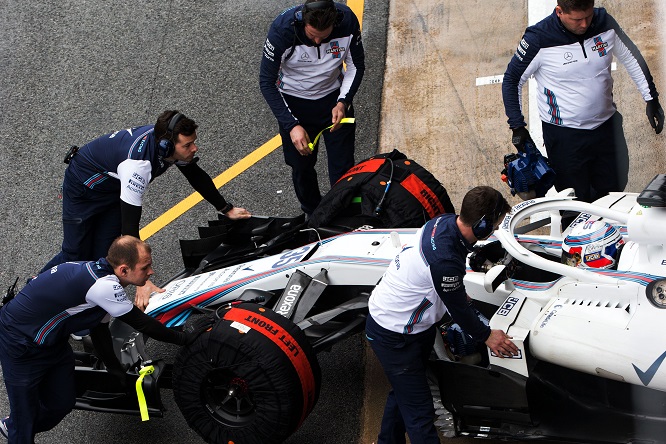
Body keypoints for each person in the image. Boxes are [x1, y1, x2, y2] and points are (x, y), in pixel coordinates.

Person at [41, 110, 251, 308]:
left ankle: (82, 306)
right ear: (167, 147)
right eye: (188, 145)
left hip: (112, 189)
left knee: (104, 253)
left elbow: (195, 175)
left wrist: (226, 208)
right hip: (83, 190)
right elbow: (130, 230)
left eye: (193, 142)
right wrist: (141, 283)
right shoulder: (137, 165)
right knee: (75, 252)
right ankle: (33, 292)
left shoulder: (164, 143)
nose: (194, 148)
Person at [0, 236, 195, 443]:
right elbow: (143, 324)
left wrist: (115, 369)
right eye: (145, 267)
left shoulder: (101, 277)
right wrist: (185, 339)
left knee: (62, 403)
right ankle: (17, 428)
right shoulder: (104, 287)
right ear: (123, 270)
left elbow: (99, 329)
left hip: (52, 343)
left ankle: (13, 427)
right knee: (24, 420)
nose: (151, 272)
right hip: (19, 345)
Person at [366, 186, 519, 444]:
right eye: (493, 226)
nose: (492, 231)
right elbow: (458, 308)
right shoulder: (445, 260)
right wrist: (487, 336)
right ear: (481, 226)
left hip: (406, 326)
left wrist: (456, 291)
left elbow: (451, 288)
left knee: (404, 393)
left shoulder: (444, 222)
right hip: (395, 336)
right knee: (421, 414)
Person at [502, 0, 664, 203]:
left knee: (614, 191)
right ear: (559, 12)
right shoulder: (539, 38)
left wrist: (651, 98)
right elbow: (512, 80)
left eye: (588, 16)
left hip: (607, 128)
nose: (585, 24)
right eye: (577, 19)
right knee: (574, 201)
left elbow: (631, 57)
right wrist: (517, 126)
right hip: (565, 137)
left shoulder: (604, 21)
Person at [260, 0, 365, 215]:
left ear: (334, 23)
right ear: (302, 22)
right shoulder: (282, 30)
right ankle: (313, 213)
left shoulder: (348, 22)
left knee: (343, 166)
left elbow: (356, 65)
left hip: (334, 100)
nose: (318, 41)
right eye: (312, 35)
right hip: (294, 104)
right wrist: (291, 125)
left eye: (324, 36)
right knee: (301, 167)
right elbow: (266, 81)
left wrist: (343, 101)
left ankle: (344, 214)